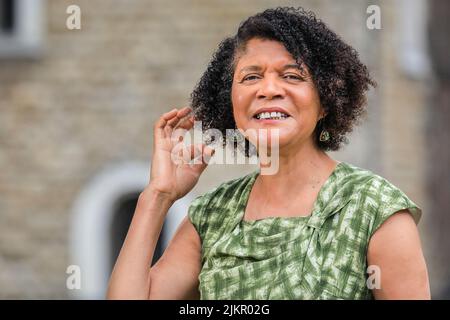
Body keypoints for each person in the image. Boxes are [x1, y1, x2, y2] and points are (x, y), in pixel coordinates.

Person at [107, 7, 430, 300]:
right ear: (230, 102)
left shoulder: (373, 208)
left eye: (292, 76)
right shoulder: (213, 216)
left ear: (326, 102)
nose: (268, 89)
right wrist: (158, 196)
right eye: (251, 77)